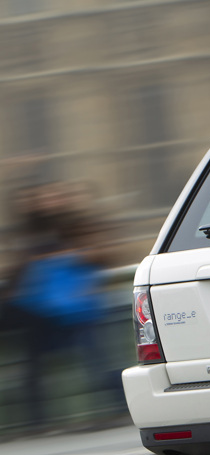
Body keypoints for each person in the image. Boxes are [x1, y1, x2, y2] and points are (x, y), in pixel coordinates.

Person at [1, 166, 124, 433]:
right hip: (50, 312)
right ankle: (38, 420)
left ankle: (119, 408)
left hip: (75, 310)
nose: (51, 201)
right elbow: (18, 271)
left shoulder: (76, 227)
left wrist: (71, 255)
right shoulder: (38, 232)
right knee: (38, 368)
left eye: (56, 197)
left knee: (97, 363)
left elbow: (102, 255)